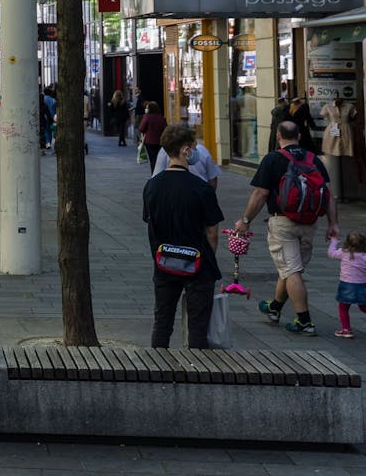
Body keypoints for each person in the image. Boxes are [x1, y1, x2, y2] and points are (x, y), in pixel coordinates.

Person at [234, 120, 340, 336]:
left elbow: (260, 194)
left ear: (278, 136)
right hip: (309, 223)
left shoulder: (273, 159)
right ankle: (275, 307)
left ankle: (304, 321)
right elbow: (328, 195)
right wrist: (333, 224)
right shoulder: (314, 159)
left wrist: (245, 220)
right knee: (292, 268)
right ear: (299, 136)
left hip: (282, 223)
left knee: (291, 270)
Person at [143, 123, 224, 349]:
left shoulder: (151, 187)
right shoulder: (201, 188)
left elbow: (150, 223)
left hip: (164, 261)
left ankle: (158, 367)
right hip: (197, 264)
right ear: (186, 150)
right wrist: (209, 259)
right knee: (198, 326)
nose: (196, 151)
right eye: (193, 146)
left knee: (162, 322)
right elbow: (212, 232)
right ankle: (196, 370)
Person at [329, 231, 366, 339]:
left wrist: (334, 241)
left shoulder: (344, 252)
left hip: (347, 285)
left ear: (347, 244)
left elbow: (331, 253)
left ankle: (346, 330)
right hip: (362, 285)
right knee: (363, 307)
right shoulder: (364, 256)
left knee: (343, 307)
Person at [149, 135, 222, 188]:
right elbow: (212, 177)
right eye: (195, 147)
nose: (197, 150)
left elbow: (156, 175)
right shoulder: (203, 150)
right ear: (187, 151)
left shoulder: (164, 151)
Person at [136, 102, 167, 169]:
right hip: (160, 141)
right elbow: (165, 129)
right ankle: (158, 170)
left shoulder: (147, 116)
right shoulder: (161, 117)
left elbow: (141, 128)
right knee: (158, 157)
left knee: (152, 158)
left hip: (149, 141)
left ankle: (153, 173)